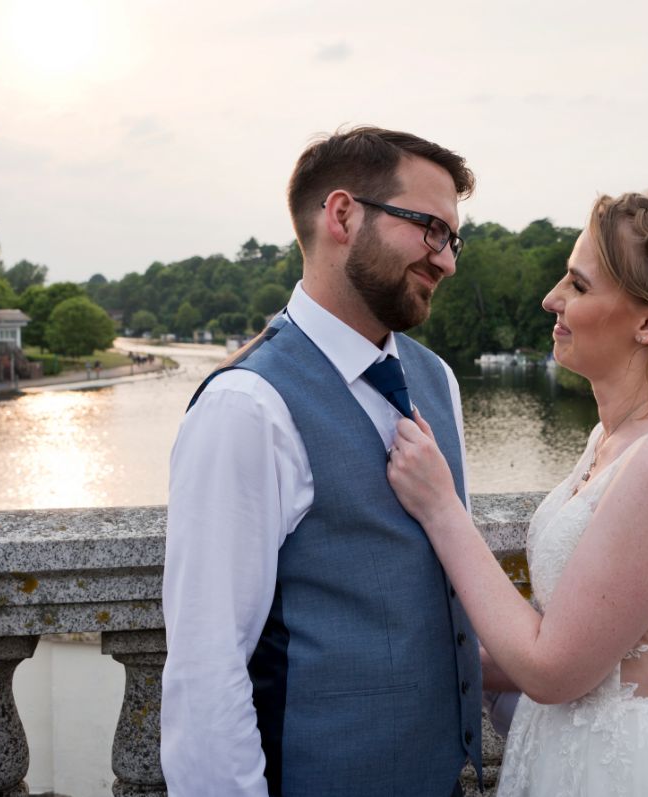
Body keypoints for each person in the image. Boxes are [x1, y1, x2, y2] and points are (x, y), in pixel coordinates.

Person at [386, 185, 648, 796]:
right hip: (567, 754)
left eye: (579, 285)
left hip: (631, 771)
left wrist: (441, 508)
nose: (551, 299)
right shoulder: (610, 436)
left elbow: (552, 668)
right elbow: (582, 631)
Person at [161, 126, 483, 796]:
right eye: (429, 228)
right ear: (342, 214)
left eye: (453, 238)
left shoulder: (439, 383)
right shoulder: (246, 406)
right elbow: (206, 670)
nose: (446, 259)